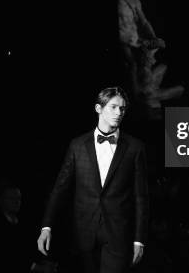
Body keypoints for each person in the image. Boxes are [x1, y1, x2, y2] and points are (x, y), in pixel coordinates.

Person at [37, 86, 150, 273]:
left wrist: (139, 239)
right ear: (99, 108)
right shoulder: (78, 145)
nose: (119, 112)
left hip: (118, 235)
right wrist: (46, 226)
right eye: (113, 107)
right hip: (82, 233)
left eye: (122, 108)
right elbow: (60, 188)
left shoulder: (135, 148)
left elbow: (141, 197)